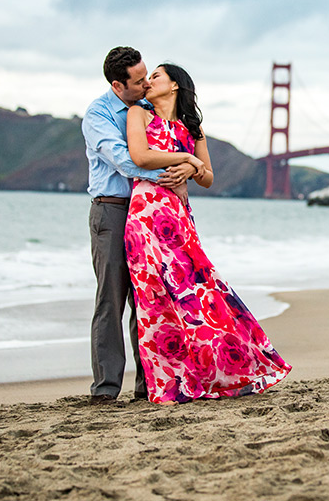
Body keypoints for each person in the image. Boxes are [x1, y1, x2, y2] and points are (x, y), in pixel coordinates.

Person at [125, 63, 291, 405]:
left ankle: (218, 370)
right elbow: (139, 157)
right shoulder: (137, 115)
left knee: (200, 291)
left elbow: (208, 177)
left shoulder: (194, 128)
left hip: (179, 217)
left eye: (156, 76)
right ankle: (171, 385)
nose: (148, 81)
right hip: (145, 216)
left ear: (174, 86)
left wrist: (192, 167)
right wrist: (186, 159)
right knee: (154, 300)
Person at [82, 47, 195, 405]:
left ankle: (149, 386)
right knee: (111, 299)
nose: (147, 83)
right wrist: (174, 173)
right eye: (139, 80)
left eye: (149, 75)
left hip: (149, 213)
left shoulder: (146, 109)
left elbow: (174, 140)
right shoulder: (98, 115)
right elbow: (125, 160)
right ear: (118, 84)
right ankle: (105, 388)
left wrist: (191, 167)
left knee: (149, 299)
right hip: (113, 211)